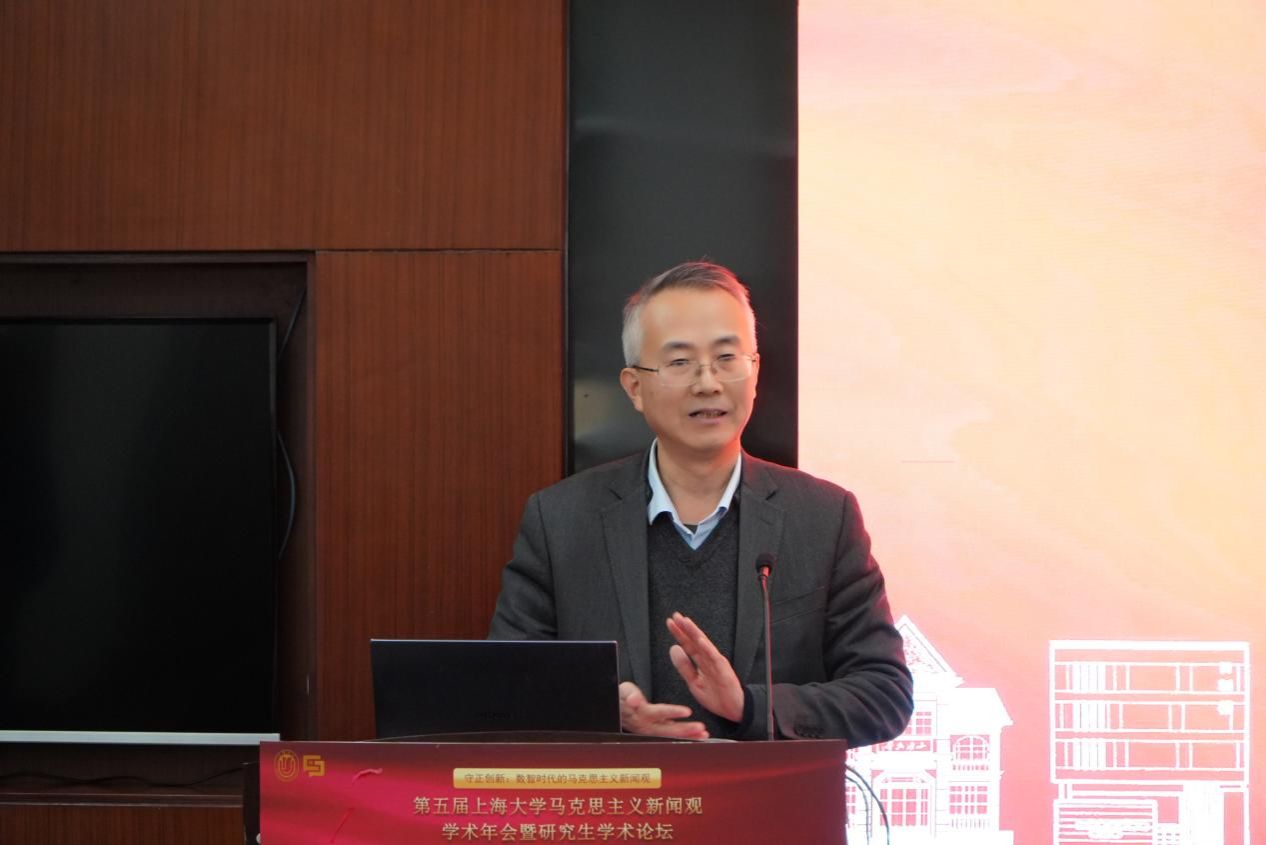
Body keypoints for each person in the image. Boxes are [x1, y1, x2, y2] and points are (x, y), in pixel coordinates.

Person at [489, 261, 913, 743]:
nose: (708, 382)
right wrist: (601, 709)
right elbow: (506, 684)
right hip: (625, 791)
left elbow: (885, 694)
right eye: (679, 362)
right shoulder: (561, 520)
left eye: (727, 357)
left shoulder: (822, 517)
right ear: (634, 388)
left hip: (767, 792)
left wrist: (750, 706)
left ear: (755, 371)